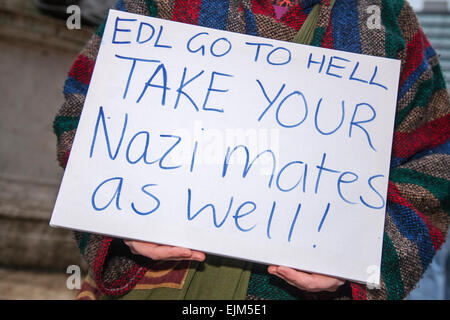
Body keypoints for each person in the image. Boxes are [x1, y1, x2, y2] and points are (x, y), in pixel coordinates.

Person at [53, 0, 450, 300]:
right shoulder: (160, 4)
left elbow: (435, 159)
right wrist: (115, 217)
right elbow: (83, 111)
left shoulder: (382, 19)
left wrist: (361, 262)